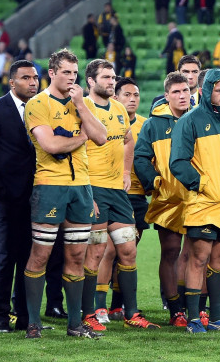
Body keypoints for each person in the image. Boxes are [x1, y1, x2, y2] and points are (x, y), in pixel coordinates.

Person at [21, 49, 107, 339]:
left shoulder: (80, 103)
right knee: (40, 255)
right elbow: (52, 146)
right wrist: (82, 135)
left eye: (75, 72)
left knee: (76, 256)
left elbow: (103, 136)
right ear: (52, 73)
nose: (71, 78)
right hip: (49, 186)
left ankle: (74, 325)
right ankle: (33, 323)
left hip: (81, 187)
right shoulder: (37, 104)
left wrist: (81, 107)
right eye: (66, 72)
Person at [170, 68, 220, 334]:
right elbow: (178, 163)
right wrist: (203, 185)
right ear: (206, 91)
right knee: (198, 258)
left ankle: (216, 318)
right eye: (219, 90)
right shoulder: (191, 120)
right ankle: (194, 319)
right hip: (204, 203)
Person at [77, 60, 155, 332]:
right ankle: (90, 311)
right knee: (96, 251)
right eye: (106, 78)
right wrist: (85, 189)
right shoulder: (82, 108)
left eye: (113, 78)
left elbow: (128, 140)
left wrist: (125, 171)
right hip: (92, 190)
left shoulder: (120, 108)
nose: (112, 82)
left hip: (117, 191)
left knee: (128, 249)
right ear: (90, 81)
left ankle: (131, 312)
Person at [0, 60, 38, 333]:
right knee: (4, 256)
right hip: (3, 196)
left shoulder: (41, 109)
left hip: (34, 196)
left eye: (35, 77)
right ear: (12, 82)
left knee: (29, 256)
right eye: (26, 78)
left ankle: (25, 315)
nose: (33, 82)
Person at [134, 72, 191, 327]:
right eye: (176, 92)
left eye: (186, 91)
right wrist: (154, 181)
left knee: (198, 254)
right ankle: (176, 309)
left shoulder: (202, 119)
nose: (182, 96)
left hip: (200, 197)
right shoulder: (153, 124)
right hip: (168, 199)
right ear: (166, 96)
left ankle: (198, 308)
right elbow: (141, 157)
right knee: (170, 252)